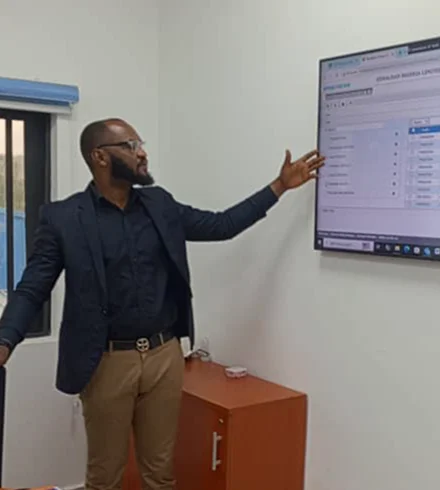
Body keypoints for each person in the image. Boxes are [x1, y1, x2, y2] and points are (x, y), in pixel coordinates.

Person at [0, 118, 325, 490]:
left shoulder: (160, 204)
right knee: (105, 478)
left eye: (141, 144)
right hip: (106, 362)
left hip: (164, 357)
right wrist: (5, 341)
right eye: (131, 145)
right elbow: (32, 288)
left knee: (160, 475)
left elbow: (222, 225)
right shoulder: (64, 218)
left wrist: (279, 186)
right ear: (100, 157)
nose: (142, 153)